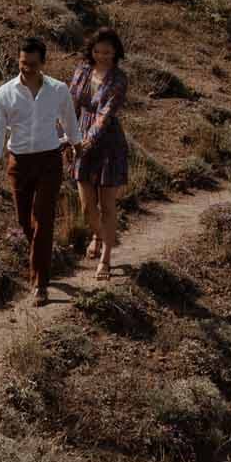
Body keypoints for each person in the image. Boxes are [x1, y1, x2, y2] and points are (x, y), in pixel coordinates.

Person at [0, 35, 81, 305]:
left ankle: (40, 283)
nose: (26, 68)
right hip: (19, 163)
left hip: (49, 160)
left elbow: (69, 120)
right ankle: (43, 257)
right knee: (24, 221)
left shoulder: (58, 90)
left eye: (32, 64)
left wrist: (76, 145)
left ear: (43, 63)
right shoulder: (5, 93)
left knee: (43, 218)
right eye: (22, 63)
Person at [70, 27, 129, 280]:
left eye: (107, 52)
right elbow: (70, 102)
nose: (101, 56)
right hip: (80, 137)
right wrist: (66, 138)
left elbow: (105, 115)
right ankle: (100, 235)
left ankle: (105, 257)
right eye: (97, 51)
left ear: (115, 52)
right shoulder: (82, 71)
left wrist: (85, 142)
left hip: (107, 142)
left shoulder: (119, 78)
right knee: (86, 206)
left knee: (106, 204)